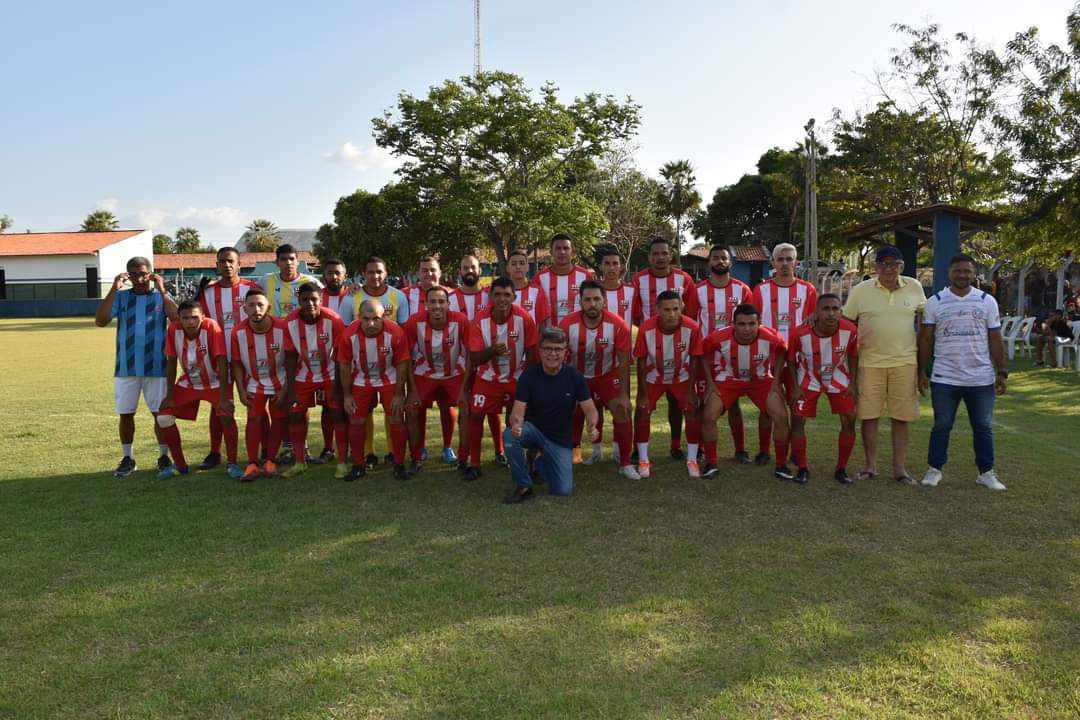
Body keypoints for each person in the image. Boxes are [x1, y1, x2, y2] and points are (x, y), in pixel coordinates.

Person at [918, 254, 1008, 491]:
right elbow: (926, 338)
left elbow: (995, 338)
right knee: (942, 425)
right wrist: (921, 372)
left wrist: (1001, 372)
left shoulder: (987, 301)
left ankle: (986, 472)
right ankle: (934, 470)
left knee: (983, 426)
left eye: (967, 271)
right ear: (950, 273)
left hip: (980, 377)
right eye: (958, 271)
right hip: (945, 376)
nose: (962, 275)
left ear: (974, 274)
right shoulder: (935, 301)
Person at [842, 245, 926, 485]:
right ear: (875, 267)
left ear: (902, 266)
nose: (888, 268)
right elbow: (847, 323)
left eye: (893, 264)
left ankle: (900, 470)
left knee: (901, 417)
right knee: (869, 416)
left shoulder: (914, 287)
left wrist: (922, 368)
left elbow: (926, 319)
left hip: (905, 362)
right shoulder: (861, 290)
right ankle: (870, 466)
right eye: (883, 264)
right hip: (869, 363)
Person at [94, 256, 179, 476]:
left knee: (160, 415)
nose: (138, 278)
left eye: (142, 273)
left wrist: (162, 289)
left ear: (150, 273)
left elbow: (177, 320)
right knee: (125, 414)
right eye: (133, 274)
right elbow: (101, 320)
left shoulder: (161, 297)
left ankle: (163, 456)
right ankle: (127, 458)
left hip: (157, 366)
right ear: (127, 275)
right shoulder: (121, 297)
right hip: (126, 367)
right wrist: (114, 288)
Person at [503, 327, 601, 503]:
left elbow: (590, 409)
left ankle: (537, 460)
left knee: (563, 491)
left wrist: (593, 424)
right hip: (534, 431)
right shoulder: (529, 376)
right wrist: (516, 424)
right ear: (540, 351)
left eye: (558, 349)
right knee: (510, 435)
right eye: (548, 348)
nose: (552, 354)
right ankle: (524, 485)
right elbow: (517, 412)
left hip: (560, 440)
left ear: (566, 352)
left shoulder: (575, 377)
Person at [700, 304, 792, 480]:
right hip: (728, 379)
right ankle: (711, 463)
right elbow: (702, 352)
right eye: (741, 324)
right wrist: (710, 383)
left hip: (760, 380)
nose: (747, 329)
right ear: (733, 324)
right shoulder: (718, 337)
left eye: (752, 323)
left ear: (759, 323)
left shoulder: (771, 337)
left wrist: (776, 380)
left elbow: (783, 351)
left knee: (780, 415)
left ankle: (781, 465)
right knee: (708, 416)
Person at [559, 280, 638, 478]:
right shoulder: (567, 324)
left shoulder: (618, 324)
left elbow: (623, 361)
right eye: (587, 299)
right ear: (580, 301)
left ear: (604, 301)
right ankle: (587, 452)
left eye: (596, 299)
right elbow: (558, 357)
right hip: (578, 376)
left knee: (622, 410)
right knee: (571, 411)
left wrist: (623, 394)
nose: (592, 304)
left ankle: (625, 463)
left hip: (607, 374)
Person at [464, 277, 539, 482]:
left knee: (519, 418)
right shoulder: (480, 320)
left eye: (507, 295)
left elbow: (532, 354)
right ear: (490, 297)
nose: (502, 299)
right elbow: (475, 357)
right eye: (497, 294)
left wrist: (531, 384)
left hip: (517, 376)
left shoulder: (524, 318)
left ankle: (526, 461)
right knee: (476, 414)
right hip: (488, 376)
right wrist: (492, 351)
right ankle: (475, 463)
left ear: (514, 297)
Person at [631, 237, 697, 460]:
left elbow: (691, 311)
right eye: (655, 254)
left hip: (678, 345)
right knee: (643, 402)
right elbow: (636, 312)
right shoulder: (638, 280)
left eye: (664, 253)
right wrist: (650, 335)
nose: (659, 258)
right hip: (650, 345)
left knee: (677, 402)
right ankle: (637, 449)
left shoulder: (684, 278)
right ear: (649, 257)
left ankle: (676, 445)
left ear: (671, 255)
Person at [751, 242, 817, 466]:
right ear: (773, 263)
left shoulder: (807, 290)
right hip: (769, 360)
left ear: (796, 262)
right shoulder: (760, 290)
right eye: (781, 259)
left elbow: (811, 323)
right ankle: (763, 450)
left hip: (799, 361)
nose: (786, 263)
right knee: (767, 407)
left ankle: (795, 452)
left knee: (797, 408)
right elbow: (754, 324)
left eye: (790, 259)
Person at [156, 301, 238, 479]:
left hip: (215, 381)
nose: (190, 322)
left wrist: (224, 396)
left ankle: (232, 463)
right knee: (163, 417)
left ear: (202, 317)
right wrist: (169, 395)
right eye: (185, 318)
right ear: (179, 319)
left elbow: (222, 360)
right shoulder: (173, 330)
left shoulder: (211, 326)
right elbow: (170, 362)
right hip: (190, 382)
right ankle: (180, 465)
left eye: (194, 317)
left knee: (226, 416)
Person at [336, 300, 414, 481]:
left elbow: (402, 364)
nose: (371, 323)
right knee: (356, 421)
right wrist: (347, 395)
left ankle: (399, 464)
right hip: (361, 379)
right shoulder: (348, 335)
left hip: (389, 377)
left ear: (384, 317)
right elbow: (344, 366)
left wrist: (399, 393)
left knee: (395, 417)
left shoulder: (395, 332)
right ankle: (358, 465)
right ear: (358, 318)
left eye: (376, 319)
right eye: (366, 319)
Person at [689, 245, 753, 463]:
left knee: (733, 404)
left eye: (723, 258)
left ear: (730, 262)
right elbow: (690, 323)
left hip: (733, 357)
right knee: (702, 403)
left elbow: (751, 323)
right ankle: (700, 448)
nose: (719, 261)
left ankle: (740, 449)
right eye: (715, 258)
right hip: (706, 357)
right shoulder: (697, 290)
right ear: (709, 263)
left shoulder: (742, 290)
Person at [196, 246, 258, 470]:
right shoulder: (208, 292)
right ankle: (215, 452)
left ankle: (259, 452)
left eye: (231, 261)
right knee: (218, 405)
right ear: (217, 264)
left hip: (248, 357)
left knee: (256, 403)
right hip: (217, 358)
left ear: (239, 264)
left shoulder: (252, 289)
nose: (227, 265)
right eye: (222, 261)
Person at [788, 293, 859, 484]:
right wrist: (794, 386)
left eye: (835, 309)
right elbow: (790, 359)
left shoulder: (850, 330)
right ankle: (802, 468)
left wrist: (853, 383)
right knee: (797, 420)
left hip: (836, 376)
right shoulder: (799, 332)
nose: (830, 313)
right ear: (816, 312)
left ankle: (841, 469)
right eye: (825, 309)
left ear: (841, 312)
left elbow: (853, 355)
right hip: (808, 378)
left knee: (850, 418)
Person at [633, 290, 704, 478]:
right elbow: (640, 360)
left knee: (691, 409)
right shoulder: (646, 328)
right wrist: (642, 392)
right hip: (653, 376)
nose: (671, 314)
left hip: (681, 376)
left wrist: (691, 390)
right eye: (666, 310)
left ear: (681, 307)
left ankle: (692, 459)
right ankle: (643, 459)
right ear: (657, 310)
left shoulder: (693, 327)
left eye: (675, 309)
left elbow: (696, 358)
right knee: (642, 409)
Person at [281, 284, 348, 478]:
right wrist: (291, 387)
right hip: (304, 373)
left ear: (321, 300)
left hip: (330, 372)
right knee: (294, 414)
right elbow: (291, 356)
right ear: (299, 300)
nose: (310, 303)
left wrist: (337, 387)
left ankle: (342, 462)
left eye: (314, 299)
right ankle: (300, 462)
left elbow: (340, 354)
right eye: (305, 300)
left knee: (337, 413)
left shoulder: (333, 319)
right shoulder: (290, 322)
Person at [351, 256, 409, 469]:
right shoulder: (352, 296)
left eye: (379, 272)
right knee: (362, 413)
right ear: (363, 274)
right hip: (362, 369)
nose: (375, 276)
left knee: (393, 412)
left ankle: (395, 454)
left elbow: (403, 331)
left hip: (389, 367)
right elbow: (347, 332)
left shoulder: (398, 296)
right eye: (370, 272)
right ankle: (367, 454)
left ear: (386, 274)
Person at [404, 286, 471, 467]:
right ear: (425, 304)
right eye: (432, 301)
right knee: (411, 408)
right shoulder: (414, 322)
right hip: (425, 371)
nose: (437, 306)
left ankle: (463, 458)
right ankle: (416, 457)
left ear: (449, 304)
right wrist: (411, 390)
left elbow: (471, 354)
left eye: (441, 301)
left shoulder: (461, 321)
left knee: (466, 409)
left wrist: (466, 389)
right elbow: (406, 357)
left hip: (454, 371)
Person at [230, 288, 290, 481]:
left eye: (260, 305)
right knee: (254, 418)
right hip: (254, 382)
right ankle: (252, 463)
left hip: (279, 380)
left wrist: (286, 388)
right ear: (244, 308)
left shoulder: (282, 328)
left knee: (279, 418)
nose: (256, 309)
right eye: (251, 305)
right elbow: (237, 363)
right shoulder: (238, 332)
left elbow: (291, 361)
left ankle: (270, 460)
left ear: (268, 308)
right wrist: (240, 389)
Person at [449, 252, 499, 470]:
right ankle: (464, 455)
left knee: (492, 410)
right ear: (460, 271)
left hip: (487, 361)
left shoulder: (490, 296)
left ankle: (500, 451)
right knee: (466, 410)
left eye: (473, 267)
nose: (469, 271)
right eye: (465, 267)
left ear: (480, 270)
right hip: (461, 361)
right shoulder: (450, 298)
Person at [530, 233, 593, 326]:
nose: (562, 252)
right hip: (550, 335)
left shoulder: (585, 276)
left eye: (566, 248)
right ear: (551, 252)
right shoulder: (539, 277)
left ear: (573, 252)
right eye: (558, 248)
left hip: (579, 333)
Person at [259, 243, 321, 318]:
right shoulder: (266, 280)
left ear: (297, 262)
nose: (288, 263)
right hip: (275, 328)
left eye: (292, 259)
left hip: (300, 327)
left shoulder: (310, 281)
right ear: (277, 262)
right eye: (283, 259)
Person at [507, 248, 552, 329]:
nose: (518, 267)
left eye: (521, 263)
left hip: (532, 341)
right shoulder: (500, 291)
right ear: (508, 268)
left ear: (527, 267)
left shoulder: (537, 291)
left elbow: (543, 322)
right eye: (513, 264)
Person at [320, 258, 355, 324]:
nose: (334, 277)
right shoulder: (317, 297)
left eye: (337, 273)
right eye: (330, 273)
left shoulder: (354, 295)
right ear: (324, 276)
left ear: (345, 277)